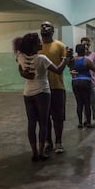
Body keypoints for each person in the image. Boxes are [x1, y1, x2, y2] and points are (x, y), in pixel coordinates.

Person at [14, 33, 67, 162]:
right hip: (42, 92)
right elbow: (58, 70)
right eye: (38, 42)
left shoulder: (20, 56)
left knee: (31, 123)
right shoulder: (42, 58)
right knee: (43, 123)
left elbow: (20, 68)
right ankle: (41, 151)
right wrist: (65, 58)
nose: (41, 43)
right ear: (33, 46)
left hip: (28, 93)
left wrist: (24, 73)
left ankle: (34, 152)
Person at [38, 21, 69, 154]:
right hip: (41, 88)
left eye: (48, 26)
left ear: (53, 30)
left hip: (57, 87)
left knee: (58, 117)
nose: (44, 27)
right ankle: (48, 142)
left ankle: (58, 142)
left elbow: (63, 65)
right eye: (42, 26)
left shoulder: (60, 46)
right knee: (44, 117)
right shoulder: (37, 46)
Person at [70, 44, 95, 128]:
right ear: (84, 51)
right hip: (85, 82)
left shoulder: (73, 60)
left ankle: (80, 123)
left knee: (79, 104)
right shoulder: (87, 60)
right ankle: (88, 122)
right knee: (87, 103)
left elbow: (70, 69)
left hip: (75, 82)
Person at [80, 37, 95, 126]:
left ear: (89, 45)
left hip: (92, 83)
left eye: (87, 44)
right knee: (85, 103)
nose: (85, 46)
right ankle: (86, 119)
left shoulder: (94, 55)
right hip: (83, 83)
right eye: (84, 44)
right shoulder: (78, 56)